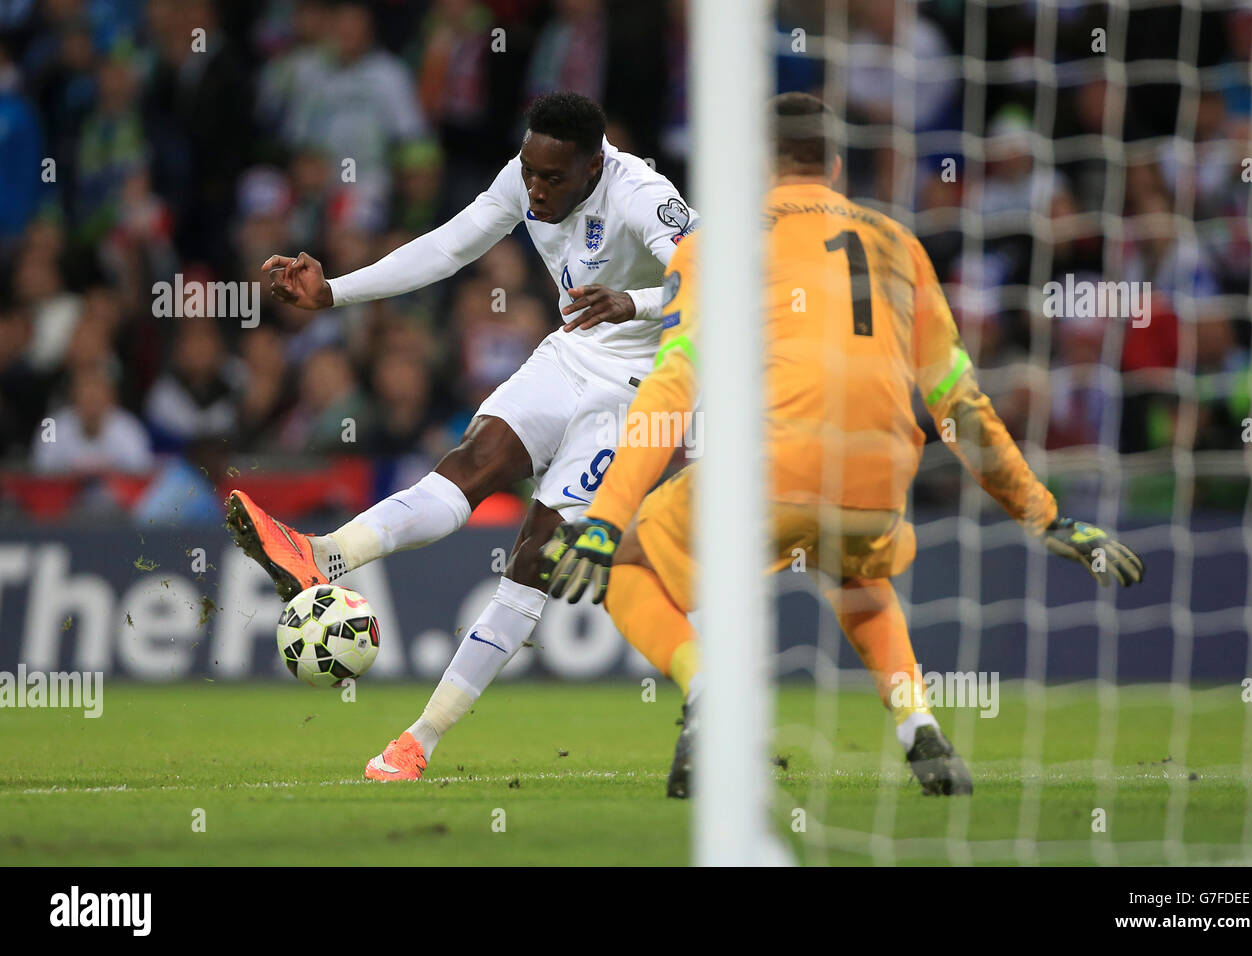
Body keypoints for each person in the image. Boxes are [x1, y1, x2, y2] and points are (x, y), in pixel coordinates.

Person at [540, 93, 1146, 798]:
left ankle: (712, 697)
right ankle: (916, 722)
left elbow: (673, 385)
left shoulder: (720, 244)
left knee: (629, 563)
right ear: (830, 164)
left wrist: (607, 520)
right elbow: (960, 404)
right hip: (879, 481)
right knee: (854, 568)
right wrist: (1044, 514)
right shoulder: (900, 244)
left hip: (769, 470)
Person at [224, 91, 697, 782]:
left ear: (595, 166)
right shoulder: (526, 174)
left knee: (536, 552)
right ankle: (323, 555)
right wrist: (334, 293)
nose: (534, 188)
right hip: (570, 354)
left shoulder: (643, 195)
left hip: (638, 387)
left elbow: (717, 277)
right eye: (529, 171)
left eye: (552, 178)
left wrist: (637, 301)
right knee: (470, 462)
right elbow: (449, 246)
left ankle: (422, 737)